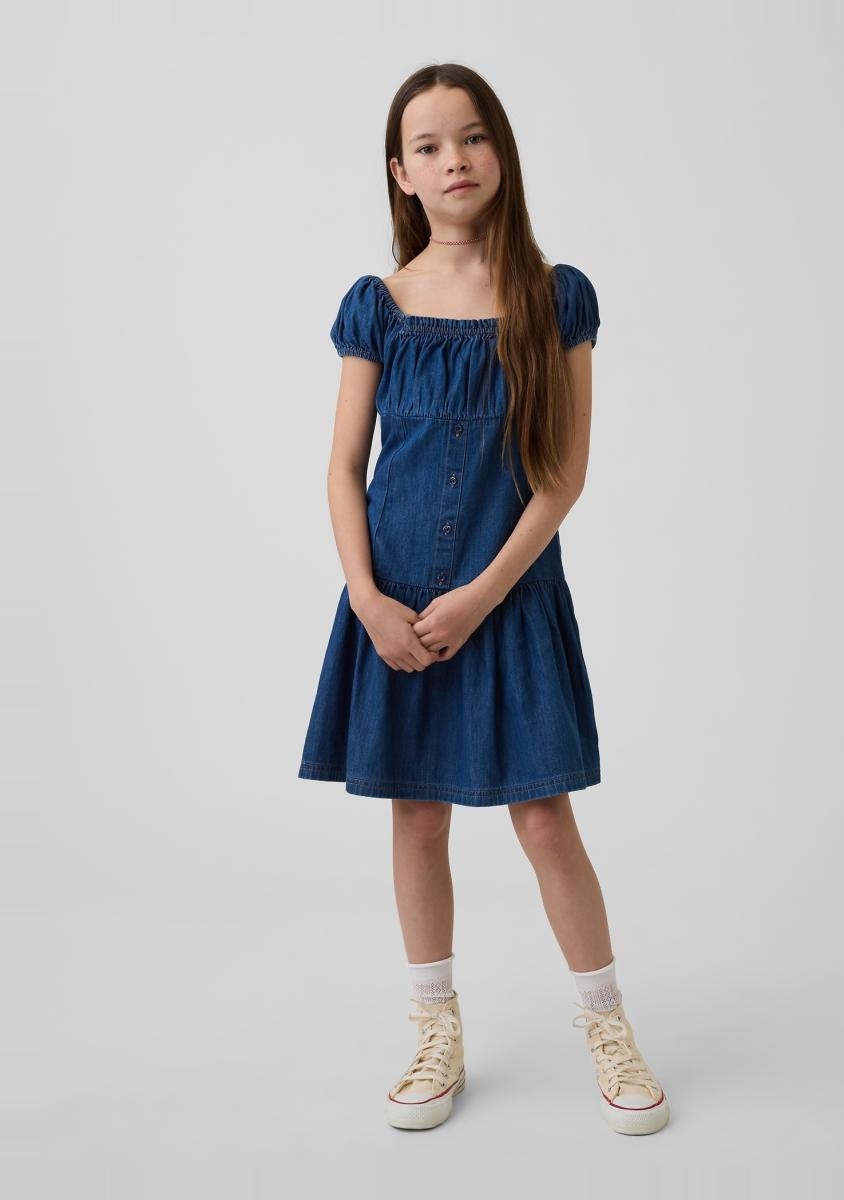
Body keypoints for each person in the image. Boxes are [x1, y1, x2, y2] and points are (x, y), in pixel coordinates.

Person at [297, 63, 669, 1136]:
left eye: (471, 137)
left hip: (505, 601)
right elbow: (343, 468)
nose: (452, 159)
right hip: (397, 607)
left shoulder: (555, 297)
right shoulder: (378, 306)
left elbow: (562, 473)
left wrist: (481, 595)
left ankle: (607, 1024)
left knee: (543, 817)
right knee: (417, 817)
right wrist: (368, 598)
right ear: (400, 173)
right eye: (427, 146)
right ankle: (434, 1029)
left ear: (499, 151)